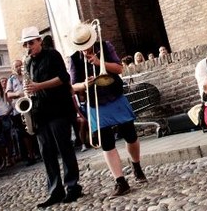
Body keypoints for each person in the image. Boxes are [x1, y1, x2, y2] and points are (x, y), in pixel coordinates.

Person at [69, 22, 148, 197]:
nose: (85, 49)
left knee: (130, 136)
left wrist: (99, 62)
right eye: (81, 47)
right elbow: (72, 86)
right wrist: (84, 84)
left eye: (87, 45)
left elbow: (119, 68)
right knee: (107, 143)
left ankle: (136, 165)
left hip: (115, 96)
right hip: (96, 103)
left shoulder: (105, 46)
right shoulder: (74, 59)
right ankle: (120, 181)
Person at [19, 26, 82, 207]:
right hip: (39, 111)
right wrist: (29, 91)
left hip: (58, 109)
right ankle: (55, 190)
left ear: (39, 41)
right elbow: (31, 86)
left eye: (31, 42)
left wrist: (39, 86)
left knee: (64, 148)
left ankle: (72, 187)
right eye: (25, 44)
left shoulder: (52, 55)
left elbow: (63, 78)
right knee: (46, 152)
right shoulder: (28, 62)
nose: (28, 47)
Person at [5, 59, 38, 166]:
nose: (19, 68)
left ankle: (40, 152)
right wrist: (18, 94)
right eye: (17, 66)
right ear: (13, 68)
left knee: (36, 128)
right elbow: (8, 94)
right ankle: (31, 155)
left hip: (31, 104)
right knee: (25, 134)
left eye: (20, 65)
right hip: (19, 108)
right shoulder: (11, 80)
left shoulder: (28, 75)